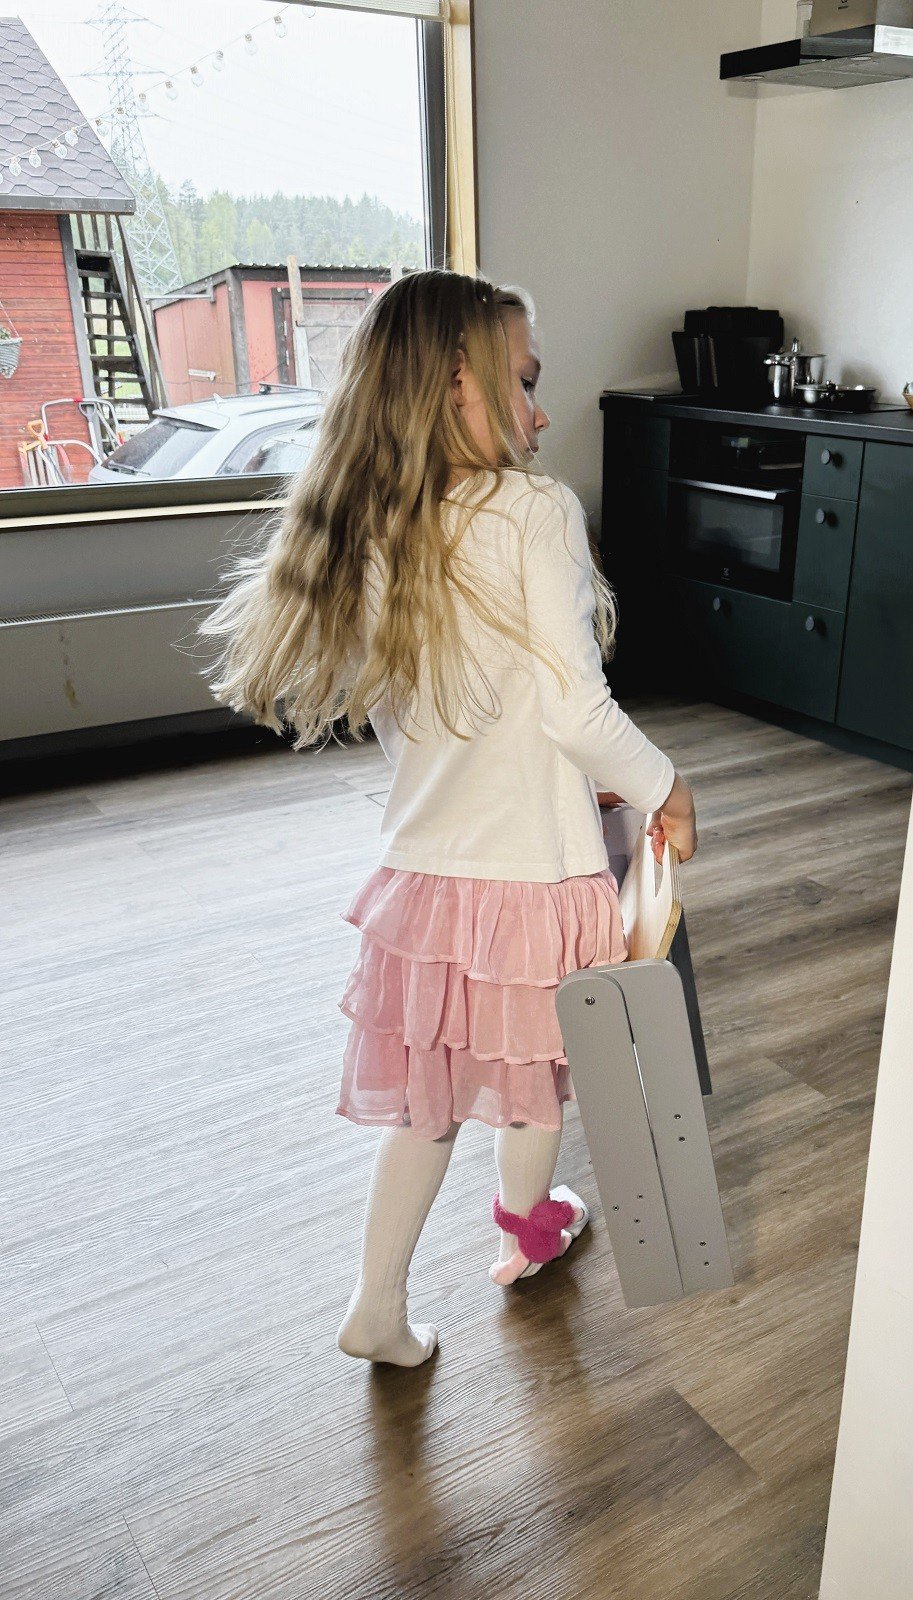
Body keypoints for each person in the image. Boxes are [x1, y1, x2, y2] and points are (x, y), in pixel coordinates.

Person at [198, 268, 697, 1370]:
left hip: (424, 879)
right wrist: (663, 783)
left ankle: (375, 1303)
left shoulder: (367, 523)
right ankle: (525, 1237)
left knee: (425, 1103)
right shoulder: (534, 511)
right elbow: (574, 706)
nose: (540, 409)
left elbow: (486, 714)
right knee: (535, 1080)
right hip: (537, 874)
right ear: (457, 385)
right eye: (524, 381)